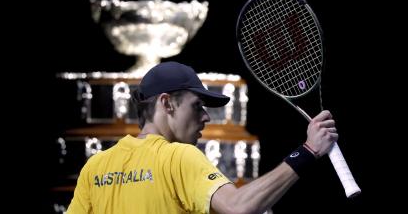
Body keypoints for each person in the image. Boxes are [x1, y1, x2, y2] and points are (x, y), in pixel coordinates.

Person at [67, 61, 338, 214]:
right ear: (167, 103)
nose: (207, 118)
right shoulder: (178, 156)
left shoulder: (95, 168)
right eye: (197, 106)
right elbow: (238, 208)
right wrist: (308, 150)